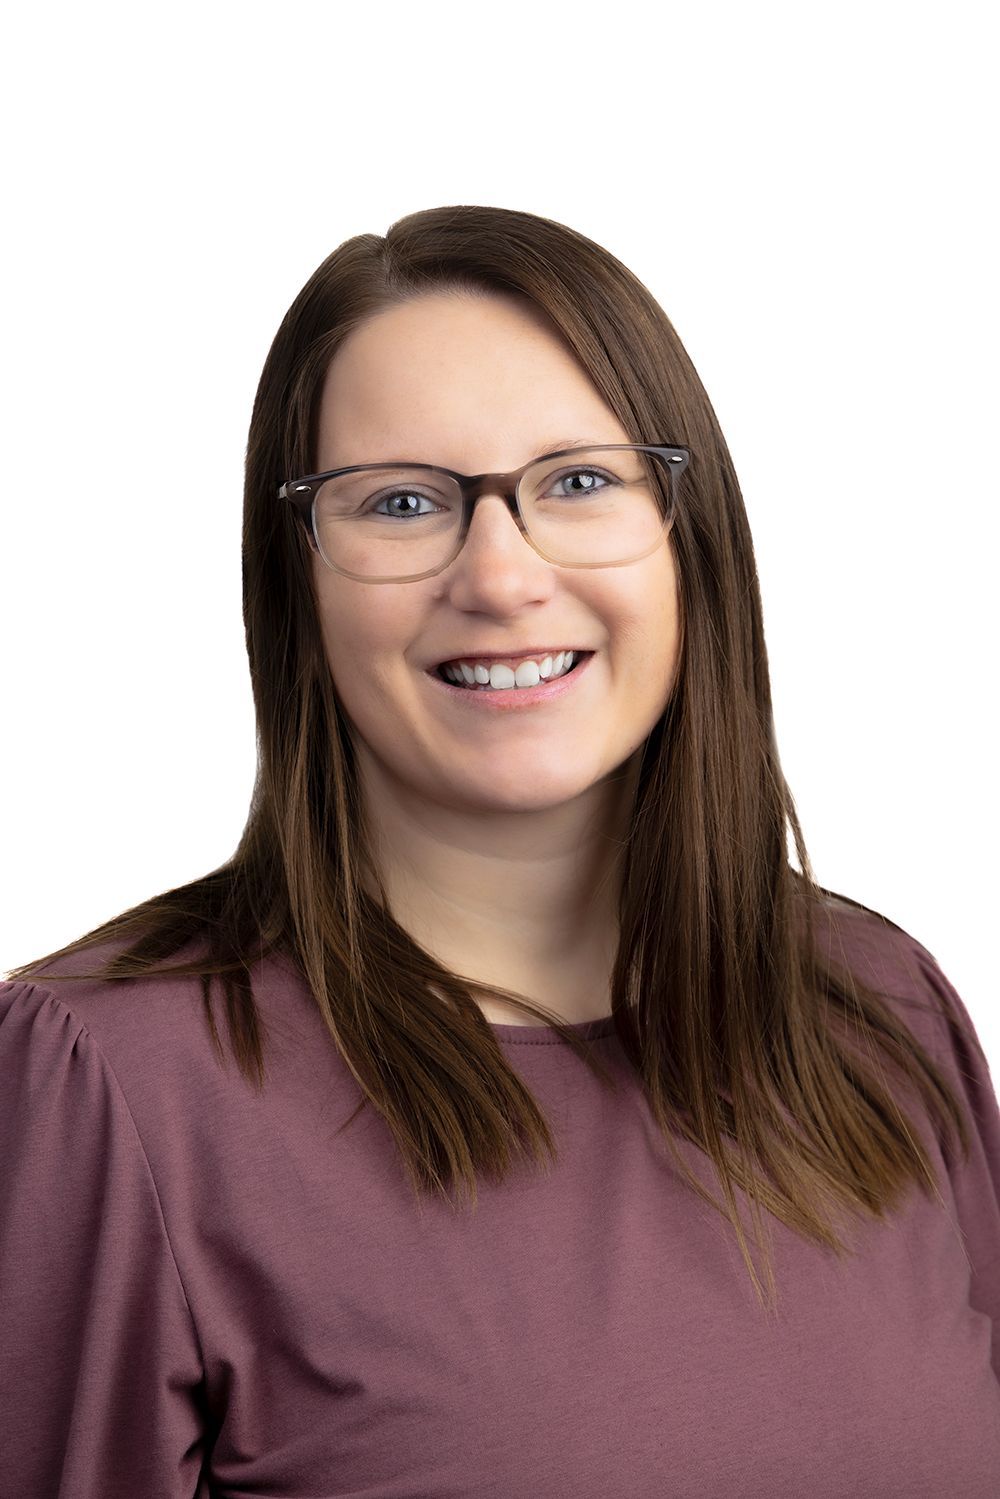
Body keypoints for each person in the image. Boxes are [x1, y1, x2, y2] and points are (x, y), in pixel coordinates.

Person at [1, 204, 998, 1497]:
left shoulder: (880, 1008)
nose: (502, 573)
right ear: (294, 581)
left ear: (690, 539)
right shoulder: (114, 1086)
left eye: (579, 481)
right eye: (403, 503)